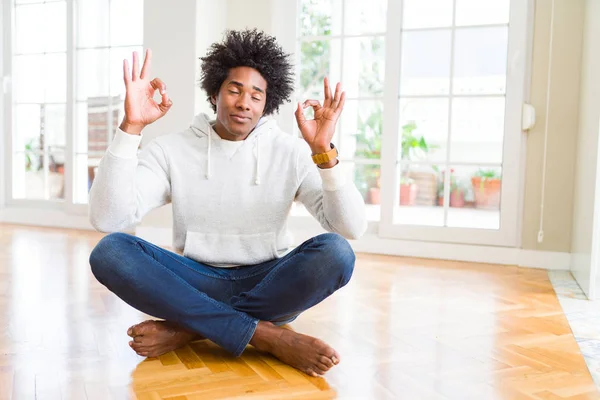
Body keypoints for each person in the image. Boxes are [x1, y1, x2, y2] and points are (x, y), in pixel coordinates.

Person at [88, 29, 366, 377]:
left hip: (270, 282)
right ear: (215, 93)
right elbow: (106, 217)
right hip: (194, 280)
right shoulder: (172, 150)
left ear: (268, 103)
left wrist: (323, 152)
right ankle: (265, 335)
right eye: (234, 90)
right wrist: (130, 127)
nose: (244, 102)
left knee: (336, 252)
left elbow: (351, 227)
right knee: (109, 252)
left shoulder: (291, 153)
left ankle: (189, 329)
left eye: (256, 95)